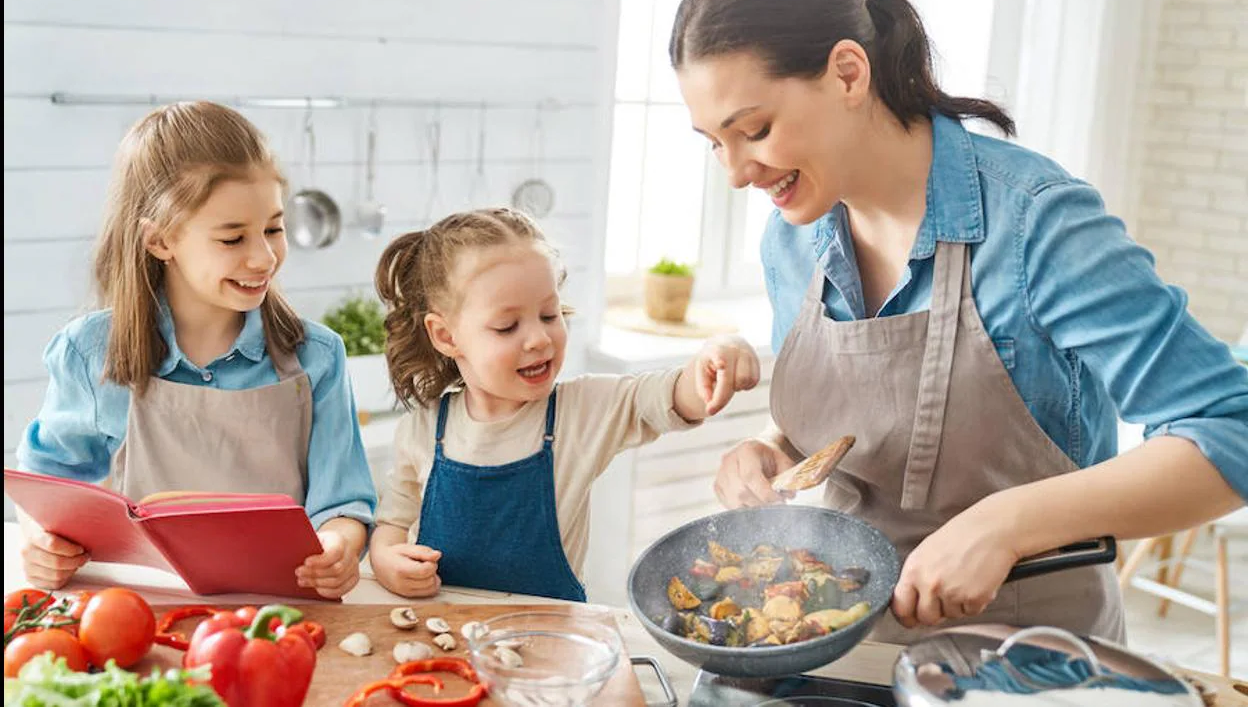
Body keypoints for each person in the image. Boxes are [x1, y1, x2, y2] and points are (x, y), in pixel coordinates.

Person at [670, 0, 1247, 643]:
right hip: (845, 644)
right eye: (712, 143)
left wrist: (1007, 524)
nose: (735, 173)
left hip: (1029, 660)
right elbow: (865, 422)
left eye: (753, 130)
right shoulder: (792, 241)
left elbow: (1228, 428)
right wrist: (775, 451)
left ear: (848, 72)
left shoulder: (1036, 222)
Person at [16, 101, 377, 598]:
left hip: (283, 612)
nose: (264, 257)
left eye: (274, 228)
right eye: (232, 238)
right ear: (160, 240)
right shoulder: (90, 352)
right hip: (143, 612)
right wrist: (40, 541)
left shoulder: (317, 356)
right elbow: (45, 484)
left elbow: (343, 504)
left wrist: (338, 546)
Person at [368, 207, 760, 601]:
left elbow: (670, 395)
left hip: (551, 642)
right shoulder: (422, 430)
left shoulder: (583, 411)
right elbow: (391, 523)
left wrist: (716, 355)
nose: (539, 338)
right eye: (508, 326)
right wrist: (386, 560)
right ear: (446, 335)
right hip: (444, 636)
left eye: (549, 314)